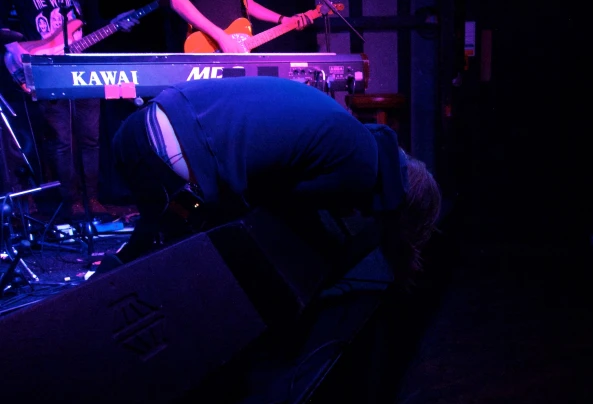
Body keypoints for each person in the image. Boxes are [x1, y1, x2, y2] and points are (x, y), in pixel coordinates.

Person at [105, 76, 442, 287]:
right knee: (220, 243)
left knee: (171, 221)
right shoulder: (363, 166)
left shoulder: (354, 132)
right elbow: (283, 205)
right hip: (169, 155)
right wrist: (330, 262)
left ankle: (116, 269)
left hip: (138, 131)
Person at [1, 0, 141, 219]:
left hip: (83, 68)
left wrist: (114, 23)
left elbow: (91, 24)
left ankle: (92, 198)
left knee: (90, 138)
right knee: (60, 141)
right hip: (46, 68)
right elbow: (4, 28)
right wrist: (16, 51)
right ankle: (69, 201)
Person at [166, 0, 312, 53]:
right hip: (206, 46)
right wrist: (221, 37)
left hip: (238, 48)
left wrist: (283, 19)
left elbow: (249, 5)